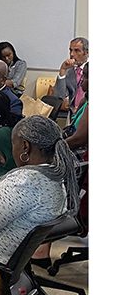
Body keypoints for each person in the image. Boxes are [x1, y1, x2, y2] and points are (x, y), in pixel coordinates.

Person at [0, 115, 79, 295]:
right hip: (0, 265)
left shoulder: (25, 183)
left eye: (13, 144)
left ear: (25, 147)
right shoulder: (53, 178)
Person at [32, 63, 89, 268]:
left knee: (46, 180)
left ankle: (40, 250)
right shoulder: (86, 101)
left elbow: (81, 137)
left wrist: (55, 145)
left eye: (85, 78)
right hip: (81, 158)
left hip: (81, 159)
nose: (81, 81)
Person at [54, 37, 88, 114]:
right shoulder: (70, 70)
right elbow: (59, 96)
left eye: (77, 50)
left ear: (87, 52)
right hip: (73, 113)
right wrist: (62, 70)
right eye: (70, 50)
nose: (72, 54)